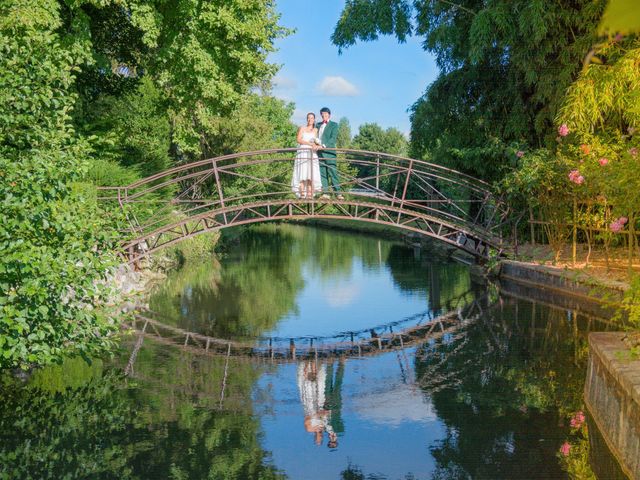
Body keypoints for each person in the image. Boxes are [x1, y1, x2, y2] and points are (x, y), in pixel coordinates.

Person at [291, 112, 322, 198]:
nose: (310, 119)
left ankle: (309, 193)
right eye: (308, 118)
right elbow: (298, 139)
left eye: (312, 118)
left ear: (314, 119)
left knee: (310, 172)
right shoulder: (302, 128)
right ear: (307, 119)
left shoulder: (315, 130)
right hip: (303, 151)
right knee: (302, 171)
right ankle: (302, 193)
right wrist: (309, 144)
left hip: (312, 152)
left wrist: (317, 145)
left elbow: (316, 140)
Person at [316, 107, 343, 199]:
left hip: (329, 152)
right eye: (322, 114)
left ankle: (338, 193)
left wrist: (323, 146)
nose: (324, 116)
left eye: (326, 114)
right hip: (319, 153)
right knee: (323, 173)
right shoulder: (318, 125)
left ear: (329, 115)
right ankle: (326, 193)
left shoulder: (334, 125)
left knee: (333, 173)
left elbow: (333, 139)